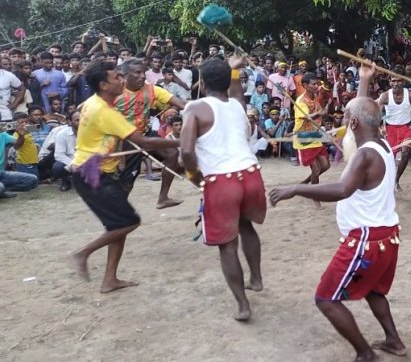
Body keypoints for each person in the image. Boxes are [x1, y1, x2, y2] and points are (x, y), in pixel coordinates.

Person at [269, 63, 406, 362]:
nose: (342, 121)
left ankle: (366, 355)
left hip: (367, 239)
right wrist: (364, 82)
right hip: (387, 235)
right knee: (373, 291)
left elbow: (343, 189)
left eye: (346, 117)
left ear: (354, 122)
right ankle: (394, 341)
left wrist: (296, 188)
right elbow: (362, 119)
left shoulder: (364, 154)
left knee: (326, 299)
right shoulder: (380, 144)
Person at [67, 60, 181, 293]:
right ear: (103, 85)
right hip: (93, 176)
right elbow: (144, 142)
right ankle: (82, 253)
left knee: (117, 226)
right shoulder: (105, 111)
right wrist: (184, 141)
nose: (122, 80)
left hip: (96, 171)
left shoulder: (92, 102)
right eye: (117, 77)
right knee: (129, 222)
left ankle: (109, 280)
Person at [180, 56, 266, 321]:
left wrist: (194, 176)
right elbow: (237, 87)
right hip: (251, 175)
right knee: (246, 226)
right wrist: (235, 68)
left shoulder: (195, 107)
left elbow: (185, 150)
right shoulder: (239, 105)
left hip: (221, 181)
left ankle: (243, 305)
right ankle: (256, 278)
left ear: (202, 83)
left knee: (227, 246)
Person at [114, 58, 187, 208]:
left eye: (143, 72)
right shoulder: (115, 94)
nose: (142, 76)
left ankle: (163, 198)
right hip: (125, 140)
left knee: (172, 153)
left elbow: (181, 103)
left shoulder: (151, 89)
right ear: (125, 76)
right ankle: (118, 211)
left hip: (145, 133)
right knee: (128, 180)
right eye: (138, 73)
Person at [293, 72, 331, 209]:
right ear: (305, 85)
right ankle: (315, 197)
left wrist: (323, 113)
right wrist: (319, 113)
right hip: (303, 136)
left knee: (326, 166)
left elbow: (319, 113)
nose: (316, 86)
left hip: (314, 134)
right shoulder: (300, 101)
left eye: (317, 84)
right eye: (313, 84)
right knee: (316, 168)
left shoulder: (314, 97)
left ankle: (305, 183)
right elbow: (306, 117)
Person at [377, 74, 411, 191]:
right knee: (390, 158)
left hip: (406, 128)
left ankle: (396, 180)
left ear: (403, 82)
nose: (396, 84)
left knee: (406, 153)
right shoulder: (385, 96)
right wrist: (380, 127)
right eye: (394, 81)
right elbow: (377, 114)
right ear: (390, 82)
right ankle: (386, 180)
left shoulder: (410, 95)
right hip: (390, 129)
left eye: (399, 81)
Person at [0, 121, 38, 198]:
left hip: (1, 174)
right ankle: (2, 188)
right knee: (0, 188)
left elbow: (18, 144)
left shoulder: (3, 135)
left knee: (33, 179)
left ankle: (6, 188)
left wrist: (21, 135)